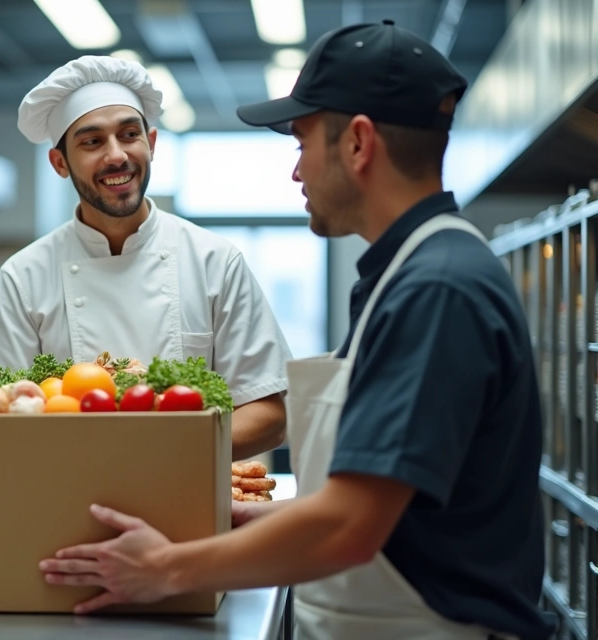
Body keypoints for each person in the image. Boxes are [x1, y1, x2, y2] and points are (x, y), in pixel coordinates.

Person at [38, 20, 557, 640]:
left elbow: (349, 525)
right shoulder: (410, 274)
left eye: (301, 141)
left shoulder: (437, 289)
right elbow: (395, 507)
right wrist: (238, 522)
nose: (295, 172)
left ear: (359, 144)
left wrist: (165, 569)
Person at [0, 55, 291, 459]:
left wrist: (165, 453)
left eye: (129, 134)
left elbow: (270, 412)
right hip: (65, 502)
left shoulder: (215, 261)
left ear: (150, 143)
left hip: (190, 498)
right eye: (92, 141)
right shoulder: (25, 275)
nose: (116, 155)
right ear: (60, 163)